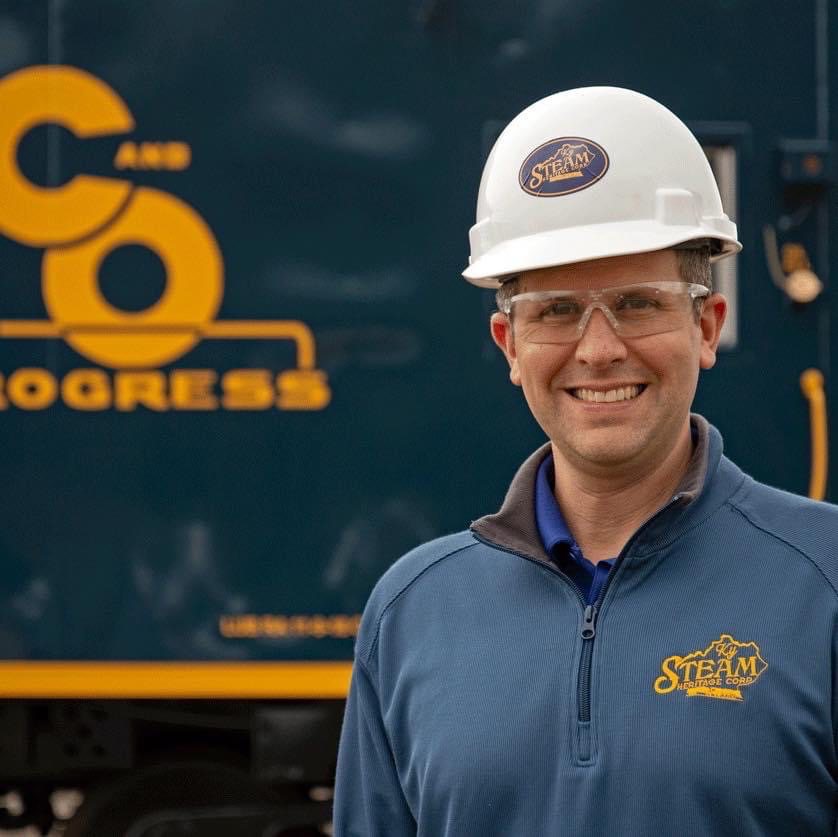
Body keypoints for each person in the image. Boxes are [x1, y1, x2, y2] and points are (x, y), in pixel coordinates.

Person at [333, 87, 838, 836]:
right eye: (558, 310)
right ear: (510, 345)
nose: (599, 349)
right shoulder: (409, 614)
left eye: (637, 303)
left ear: (707, 325)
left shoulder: (825, 584)